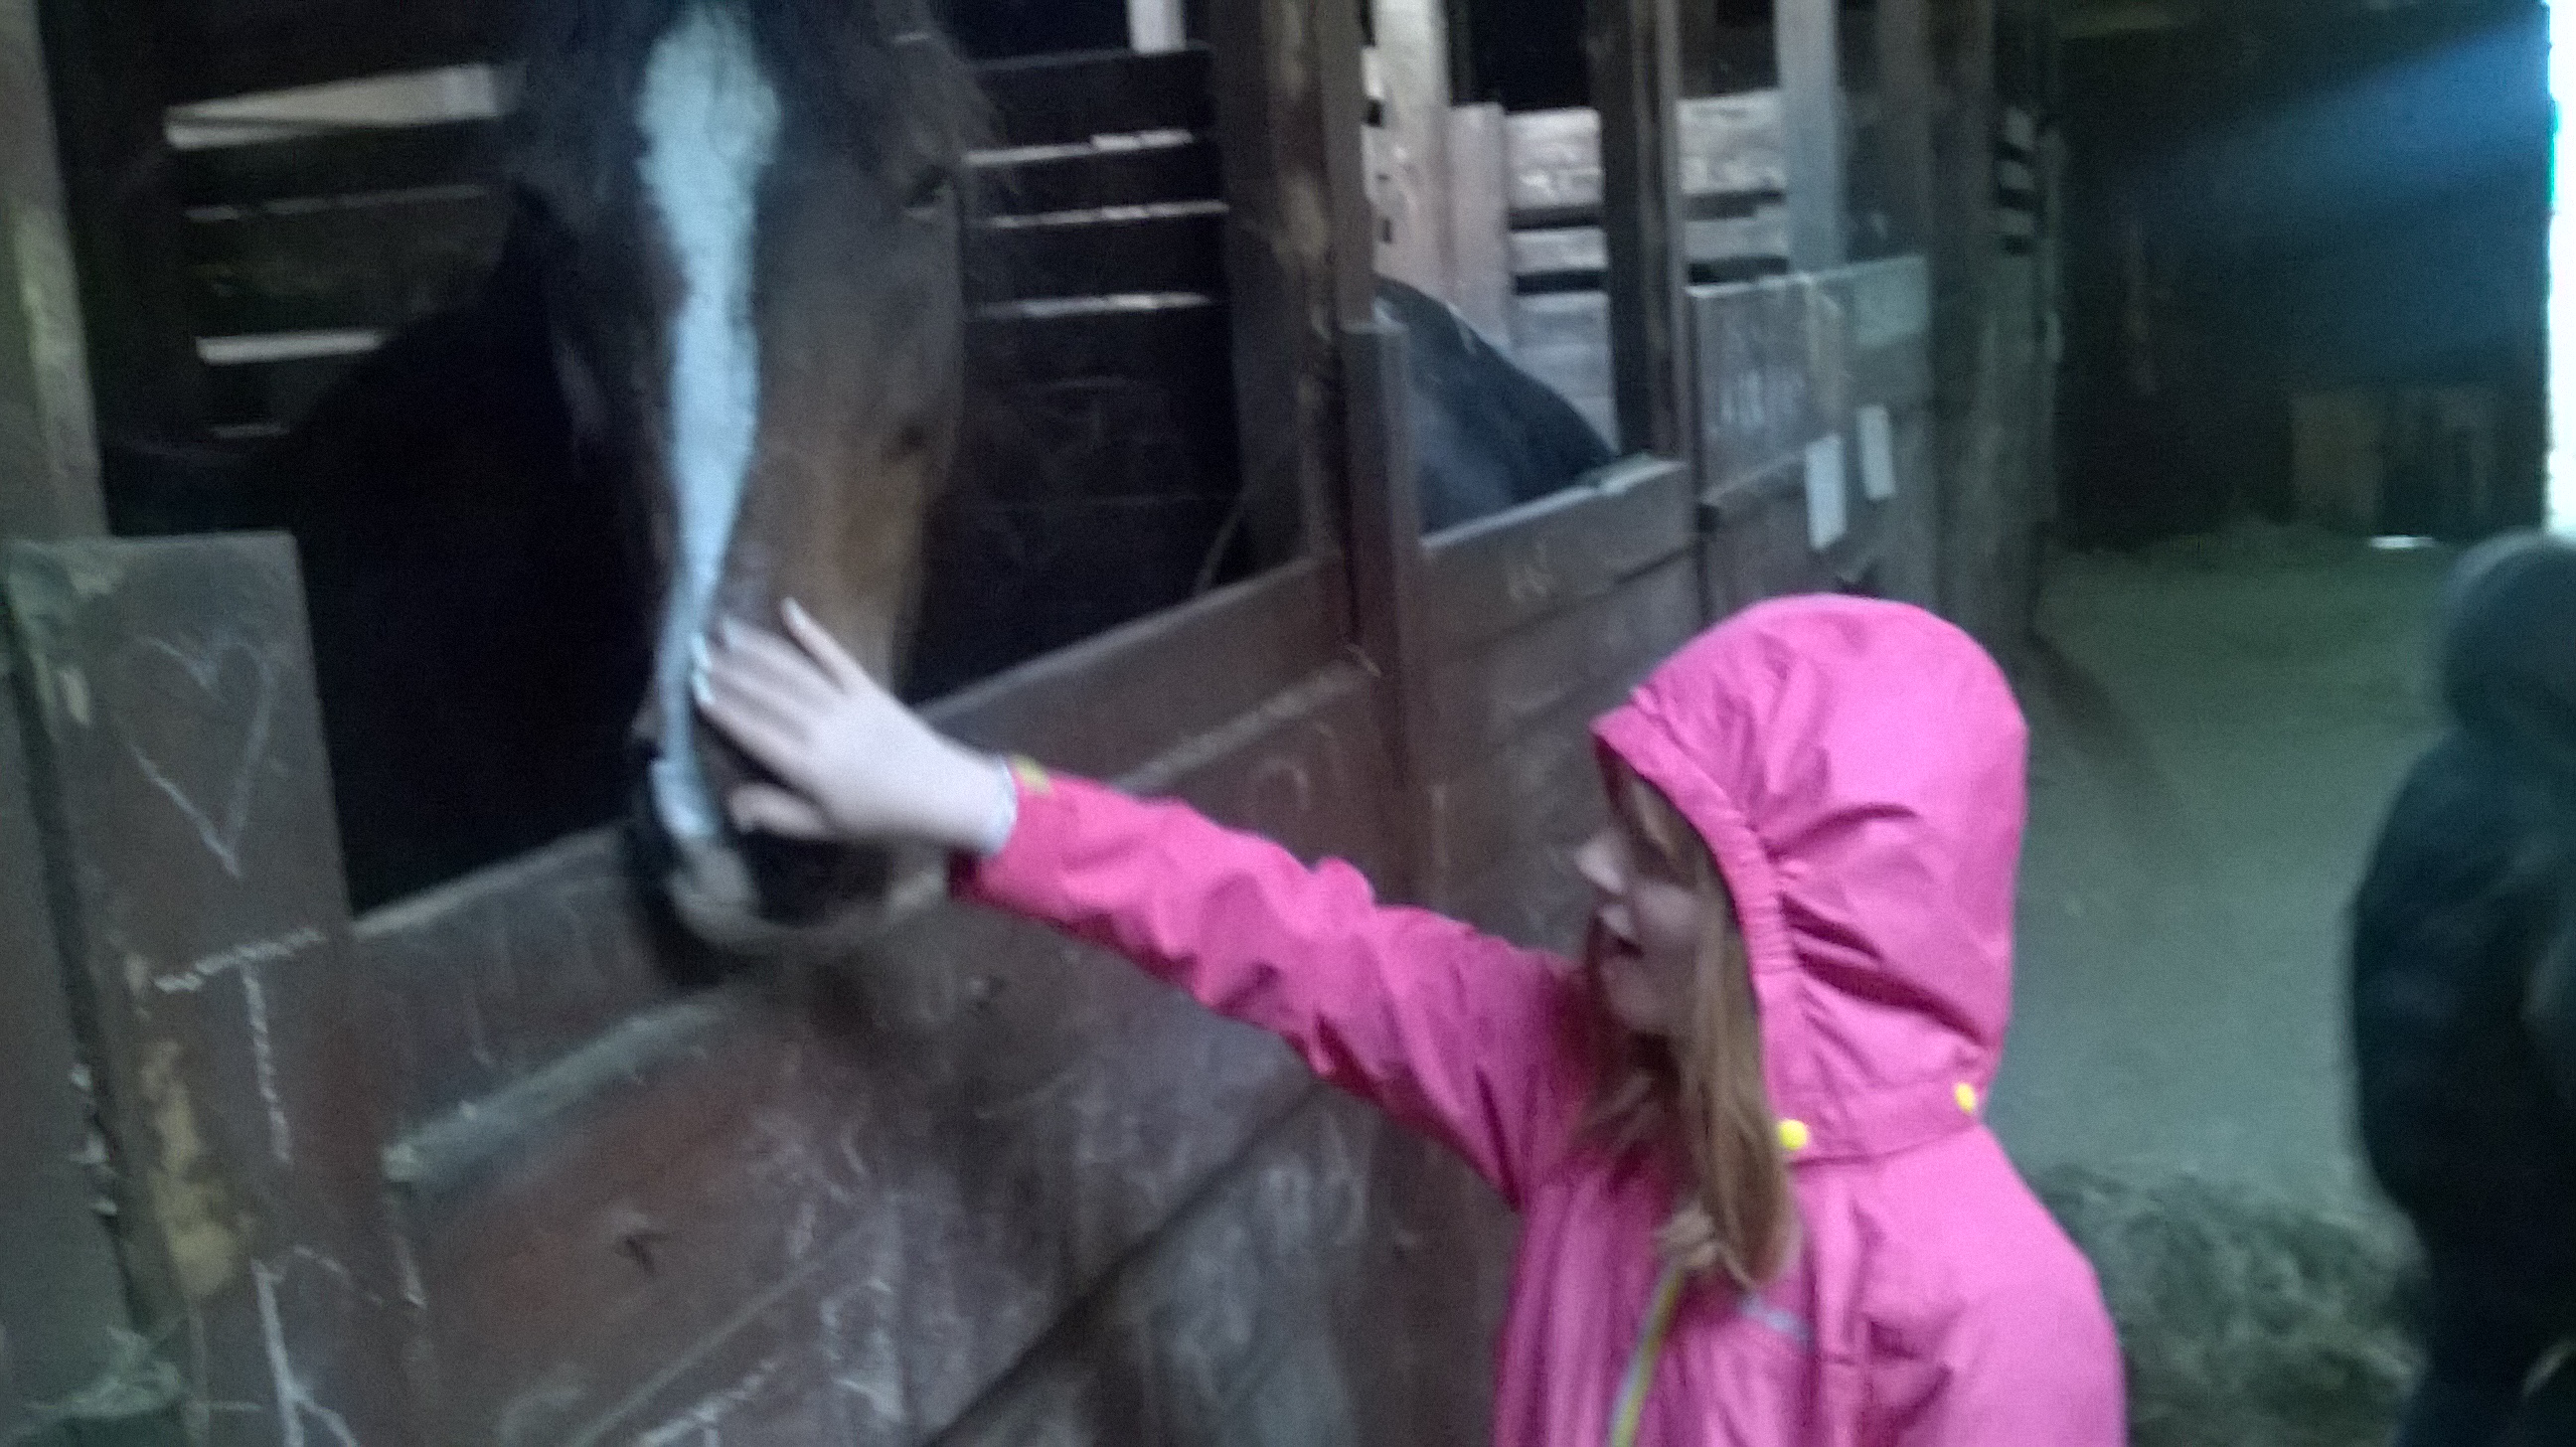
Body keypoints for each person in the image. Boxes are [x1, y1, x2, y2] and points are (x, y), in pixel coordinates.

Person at [696, 592, 2126, 1445]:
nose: (1589, 867)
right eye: (1612, 825)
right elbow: (1298, 941)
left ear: (1787, 933)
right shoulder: (1591, 1090)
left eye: (1651, 861)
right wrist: (971, 804)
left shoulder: (1996, 1318)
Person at [2350, 531, 2576, 1447]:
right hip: (2538, 1182)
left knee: (2469, 1366)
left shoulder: (2444, 780)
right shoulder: (2556, 819)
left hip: (2437, 1164)